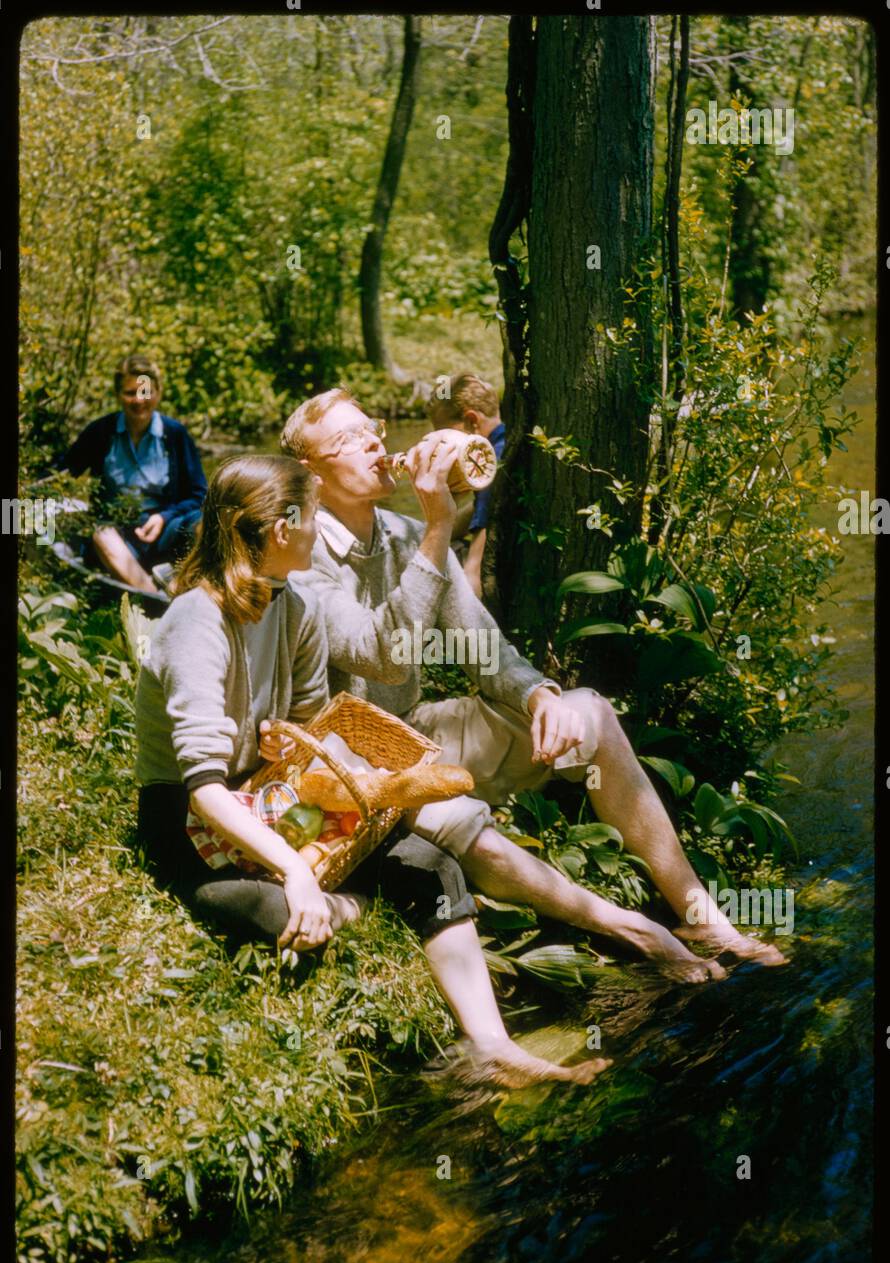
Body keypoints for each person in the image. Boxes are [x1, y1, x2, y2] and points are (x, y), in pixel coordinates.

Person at [134, 453, 605, 1087]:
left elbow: (307, 727)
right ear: (282, 529)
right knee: (289, 915)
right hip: (194, 816)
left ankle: (494, 1047)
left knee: (433, 865)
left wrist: (284, 742)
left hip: (269, 794)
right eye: (311, 513)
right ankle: (339, 903)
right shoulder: (197, 618)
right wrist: (297, 871)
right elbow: (203, 789)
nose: (318, 526)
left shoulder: (292, 602)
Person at [280, 389, 787, 974]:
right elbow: (383, 657)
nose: (373, 441)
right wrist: (440, 526)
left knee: (588, 709)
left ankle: (703, 917)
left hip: (414, 734)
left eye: (372, 427)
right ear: (307, 472)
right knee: (467, 826)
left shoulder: (402, 534)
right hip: (348, 770)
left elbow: (482, 646)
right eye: (347, 438)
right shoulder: (299, 552)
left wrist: (538, 695)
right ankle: (630, 928)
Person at [57, 353, 207, 595]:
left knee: (205, 524)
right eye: (130, 393)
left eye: (146, 391)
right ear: (118, 395)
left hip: (166, 529)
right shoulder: (101, 432)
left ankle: (186, 585)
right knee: (101, 534)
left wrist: (164, 517)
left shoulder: (175, 434)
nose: (139, 400)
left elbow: (199, 495)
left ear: (157, 393)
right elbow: (62, 473)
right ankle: (155, 599)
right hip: (118, 533)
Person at [427, 372, 504, 598]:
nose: (441, 445)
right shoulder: (503, 441)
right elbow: (475, 513)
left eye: (445, 435)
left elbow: (474, 570)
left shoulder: (491, 466)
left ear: (472, 422)